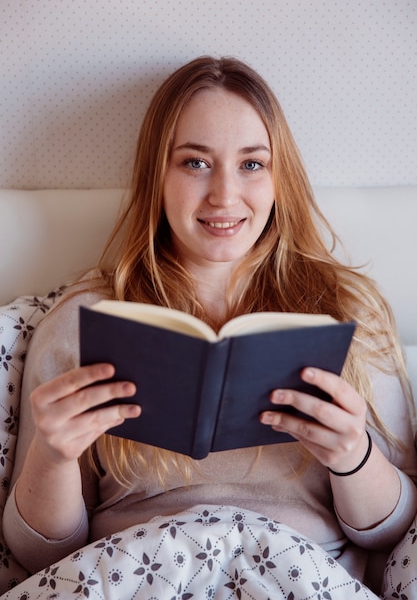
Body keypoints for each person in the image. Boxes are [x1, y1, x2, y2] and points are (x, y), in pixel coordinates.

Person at [4, 56, 417, 594]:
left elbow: (398, 532)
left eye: (251, 164)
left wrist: (353, 457)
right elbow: (38, 557)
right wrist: (54, 458)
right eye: (195, 163)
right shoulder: (82, 322)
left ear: (278, 177)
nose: (224, 195)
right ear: (158, 174)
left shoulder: (349, 313)